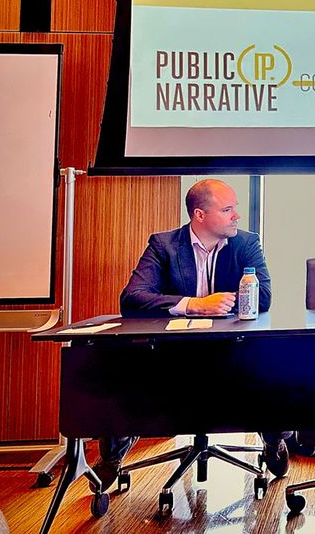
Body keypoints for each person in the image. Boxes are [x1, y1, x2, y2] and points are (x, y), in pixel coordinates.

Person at [92, 179, 289, 489]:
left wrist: (223, 302)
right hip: (174, 352)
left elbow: (263, 297)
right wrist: (194, 305)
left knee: (277, 359)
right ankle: (112, 458)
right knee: (118, 362)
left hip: (232, 350)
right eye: (227, 210)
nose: (236, 216)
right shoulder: (164, 245)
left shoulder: (246, 244)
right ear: (200, 215)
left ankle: (273, 440)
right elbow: (132, 298)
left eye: (235, 208)